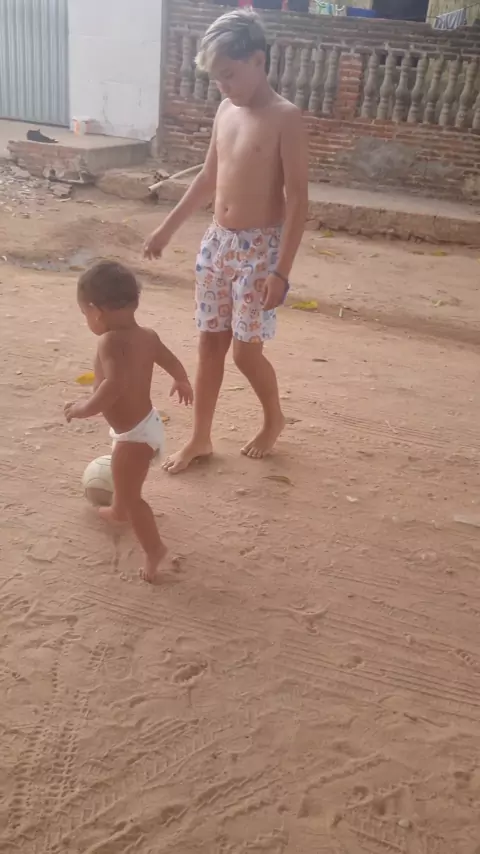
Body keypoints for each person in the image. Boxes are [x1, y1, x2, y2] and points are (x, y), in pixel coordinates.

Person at [144, 8, 308, 474]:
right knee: (209, 344)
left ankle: (274, 417)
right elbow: (208, 177)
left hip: (259, 253)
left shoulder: (285, 118)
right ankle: (200, 437)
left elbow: (298, 200)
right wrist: (167, 228)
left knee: (245, 353)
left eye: (229, 75)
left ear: (258, 60)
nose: (223, 86)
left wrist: (281, 272)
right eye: (216, 78)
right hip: (216, 245)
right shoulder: (225, 110)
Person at [64, 261, 193, 583]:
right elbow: (170, 360)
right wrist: (181, 379)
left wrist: (83, 408)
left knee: (134, 499)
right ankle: (118, 509)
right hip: (146, 425)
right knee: (126, 487)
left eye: (84, 313)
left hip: (134, 437)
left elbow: (114, 385)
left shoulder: (109, 341)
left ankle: (154, 549)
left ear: (95, 312)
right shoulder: (148, 336)